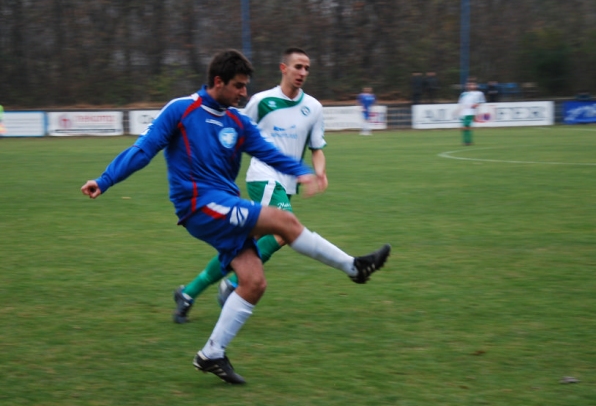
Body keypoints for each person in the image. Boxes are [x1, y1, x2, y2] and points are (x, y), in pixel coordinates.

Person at [81, 49, 391, 385]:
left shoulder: (238, 121)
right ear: (218, 81)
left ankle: (212, 353)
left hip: (224, 202)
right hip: (197, 203)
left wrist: (302, 173)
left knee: (254, 282)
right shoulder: (182, 110)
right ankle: (354, 268)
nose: (244, 93)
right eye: (239, 86)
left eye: (245, 86)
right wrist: (105, 180)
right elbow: (143, 150)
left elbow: (269, 153)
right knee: (284, 223)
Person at [173, 47, 329, 322]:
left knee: (244, 244)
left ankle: (188, 292)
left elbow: (317, 147)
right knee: (283, 232)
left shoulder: (314, 107)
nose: (303, 73)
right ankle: (234, 285)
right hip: (263, 175)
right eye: (298, 67)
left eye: (307, 68)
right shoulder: (261, 101)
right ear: (284, 68)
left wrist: (319, 172)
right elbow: (236, 129)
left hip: (288, 181)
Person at [457, 78, 485, 146]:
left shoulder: (479, 93)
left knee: (466, 126)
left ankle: (467, 141)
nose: (470, 86)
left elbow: (481, 101)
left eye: (472, 85)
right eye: (468, 85)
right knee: (467, 127)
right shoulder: (463, 94)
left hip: (470, 112)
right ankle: (467, 141)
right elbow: (461, 103)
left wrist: (476, 105)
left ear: (475, 86)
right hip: (463, 112)